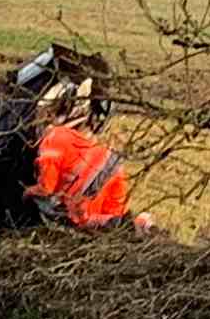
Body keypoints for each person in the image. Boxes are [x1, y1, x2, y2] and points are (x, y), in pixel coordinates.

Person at [23, 78, 136, 230]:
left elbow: (46, 188)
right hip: (112, 175)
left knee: (63, 214)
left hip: (85, 198)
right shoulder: (78, 140)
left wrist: (28, 192)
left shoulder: (54, 137)